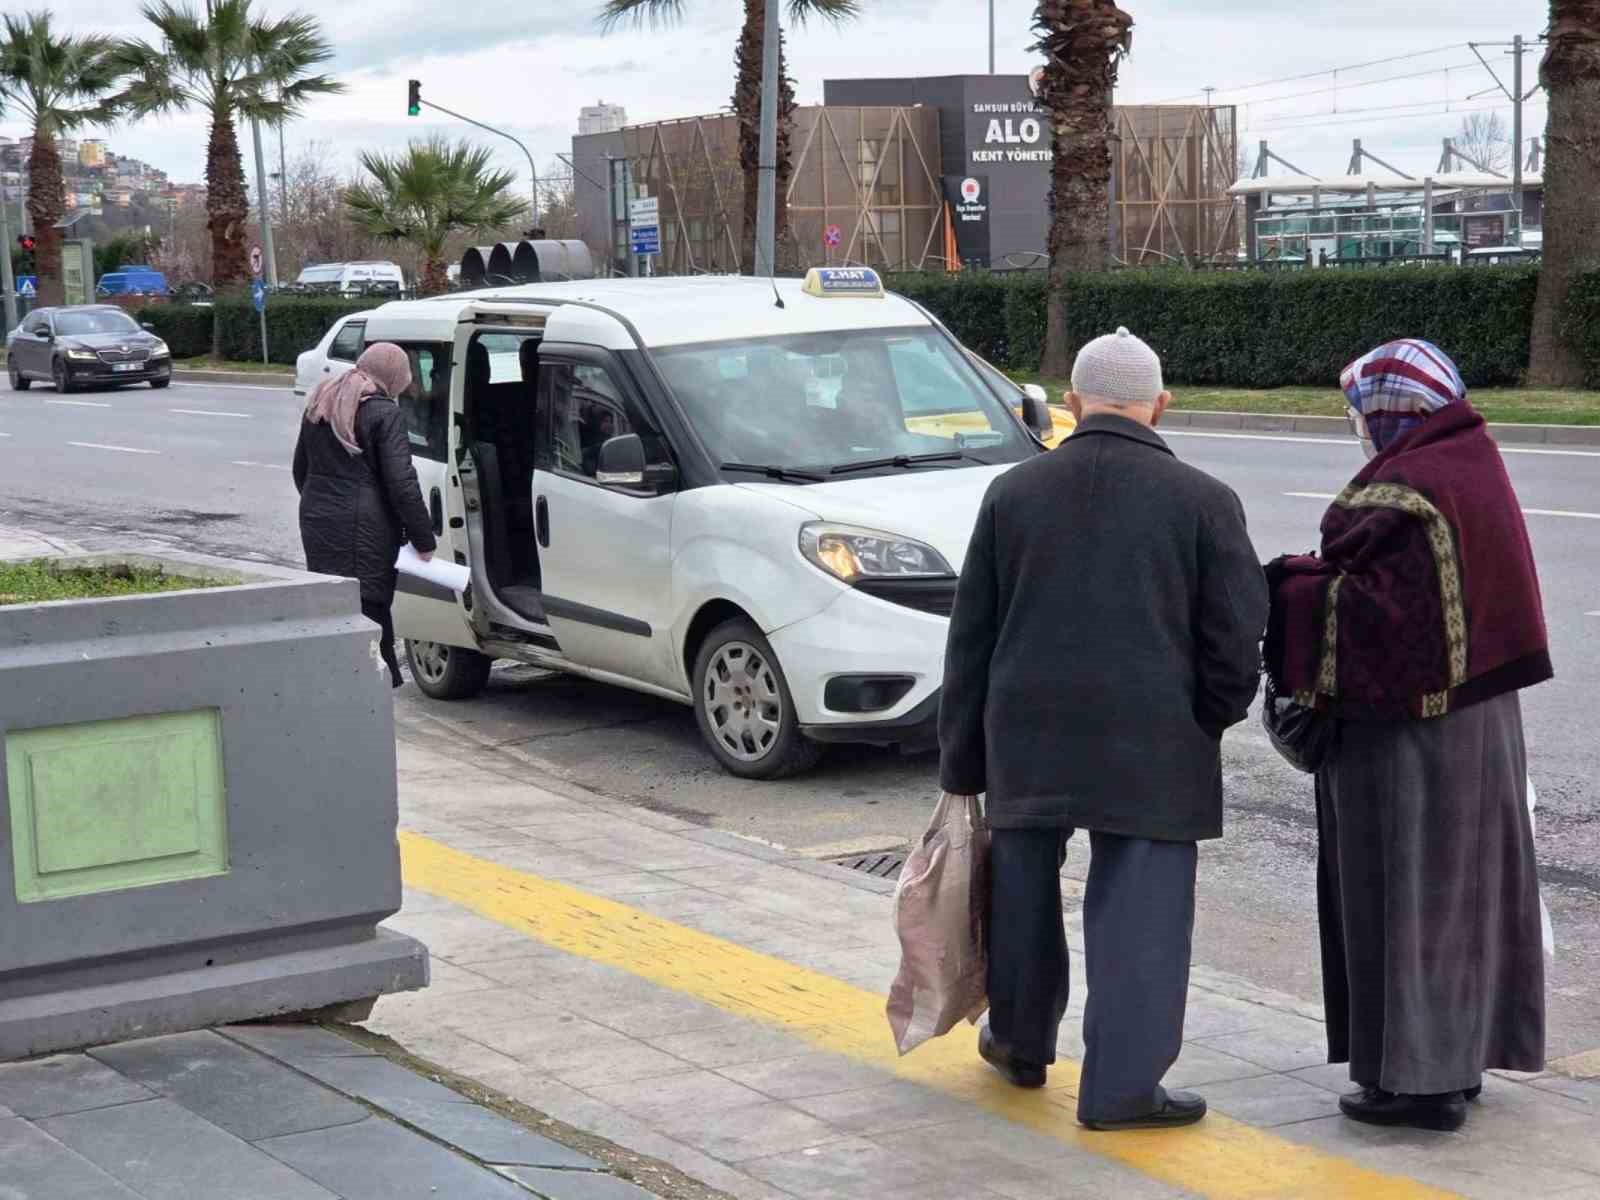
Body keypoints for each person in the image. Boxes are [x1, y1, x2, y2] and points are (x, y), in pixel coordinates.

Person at [939, 327, 1268, 1131]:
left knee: (1019, 894)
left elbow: (970, 635)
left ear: (1074, 404)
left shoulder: (1012, 493)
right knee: (1141, 913)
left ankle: (1019, 1044)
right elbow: (1237, 638)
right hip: (1154, 741)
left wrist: (961, 760)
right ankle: (1122, 1089)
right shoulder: (1203, 499)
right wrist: (1207, 718)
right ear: (1161, 405)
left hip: (1026, 730)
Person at [1264, 339, 1551, 1132]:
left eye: (1361, 410)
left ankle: (1417, 1085)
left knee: (1406, 890)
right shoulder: (1472, 457)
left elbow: (1378, 619)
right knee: (1468, 893)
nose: (1357, 426)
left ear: (1393, 411)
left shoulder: (1401, 486)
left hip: (1408, 733)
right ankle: (1457, 1060)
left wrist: (1290, 586)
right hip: (1484, 717)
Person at [293, 342, 437, 688]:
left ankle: (337, 682)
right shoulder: (383, 412)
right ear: (393, 376)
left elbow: (301, 469)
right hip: (364, 528)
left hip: (317, 518)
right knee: (370, 608)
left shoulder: (321, 401)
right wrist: (423, 539)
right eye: (405, 375)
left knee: (335, 605)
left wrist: (324, 505)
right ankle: (373, 688)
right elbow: (402, 484)